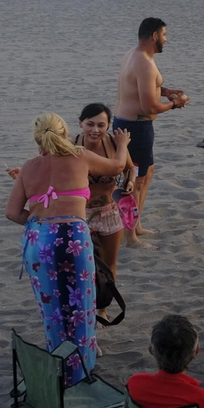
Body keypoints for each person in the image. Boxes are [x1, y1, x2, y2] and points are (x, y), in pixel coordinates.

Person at [4, 113, 130, 385]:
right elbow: (118, 166)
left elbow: (12, 213)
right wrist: (122, 144)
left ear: (37, 138)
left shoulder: (28, 167)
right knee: (81, 304)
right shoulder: (80, 155)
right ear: (65, 133)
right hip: (72, 236)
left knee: (52, 309)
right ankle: (81, 368)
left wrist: (41, 224)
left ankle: (59, 364)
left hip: (39, 240)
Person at [112, 17, 189, 240]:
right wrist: (175, 104)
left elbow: (140, 86)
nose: (166, 39)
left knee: (147, 174)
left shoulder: (133, 54)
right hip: (136, 128)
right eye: (164, 35)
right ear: (154, 36)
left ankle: (137, 226)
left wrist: (165, 91)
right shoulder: (145, 64)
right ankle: (131, 237)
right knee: (135, 181)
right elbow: (149, 107)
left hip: (129, 124)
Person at [75, 103, 132, 320]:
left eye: (101, 125)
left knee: (109, 265)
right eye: (90, 124)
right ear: (80, 123)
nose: (95, 130)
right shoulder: (71, 146)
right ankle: (85, 306)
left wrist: (130, 182)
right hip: (81, 214)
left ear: (108, 126)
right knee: (83, 266)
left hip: (109, 212)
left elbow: (129, 168)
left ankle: (103, 309)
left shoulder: (114, 144)